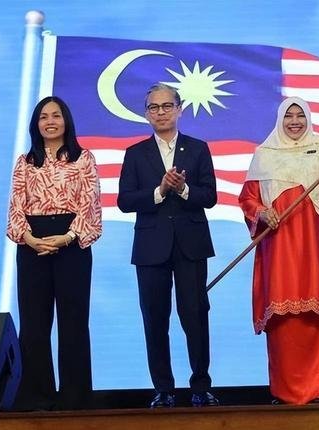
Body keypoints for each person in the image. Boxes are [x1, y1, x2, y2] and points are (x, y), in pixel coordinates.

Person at [238, 97, 319, 405]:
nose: (294, 122)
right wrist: (262, 213)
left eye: (299, 115)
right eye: (288, 116)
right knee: (284, 316)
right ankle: (285, 391)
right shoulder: (264, 154)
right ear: (280, 119)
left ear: (308, 118)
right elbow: (248, 199)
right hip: (281, 247)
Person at [117, 83, 219, 408]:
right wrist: (159, 191)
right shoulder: (135, 153)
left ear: (179, 109)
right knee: (155, 318)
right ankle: (163, 389)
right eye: (154, 107)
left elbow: (210, 196)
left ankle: (201, 387)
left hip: (191, 245)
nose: (160, 112)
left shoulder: (198, 149)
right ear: (146, 113)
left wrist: (184, 189)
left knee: (195, 315)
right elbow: (124, 201)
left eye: (166, 106)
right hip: (151, 247)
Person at [6, 96, 102, 410]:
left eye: (56, 115)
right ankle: (37, 397)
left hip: (72, 244)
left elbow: (90, 204)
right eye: (43, 116)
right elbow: (15, 207)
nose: (50, 121)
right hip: (31, 244)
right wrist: (30, 239)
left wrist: (68, 237)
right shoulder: (25, 161)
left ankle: (75, 398)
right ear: (36, 124)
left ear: (66, 121)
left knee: (73, 322)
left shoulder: (83, 158)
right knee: (34, 323)